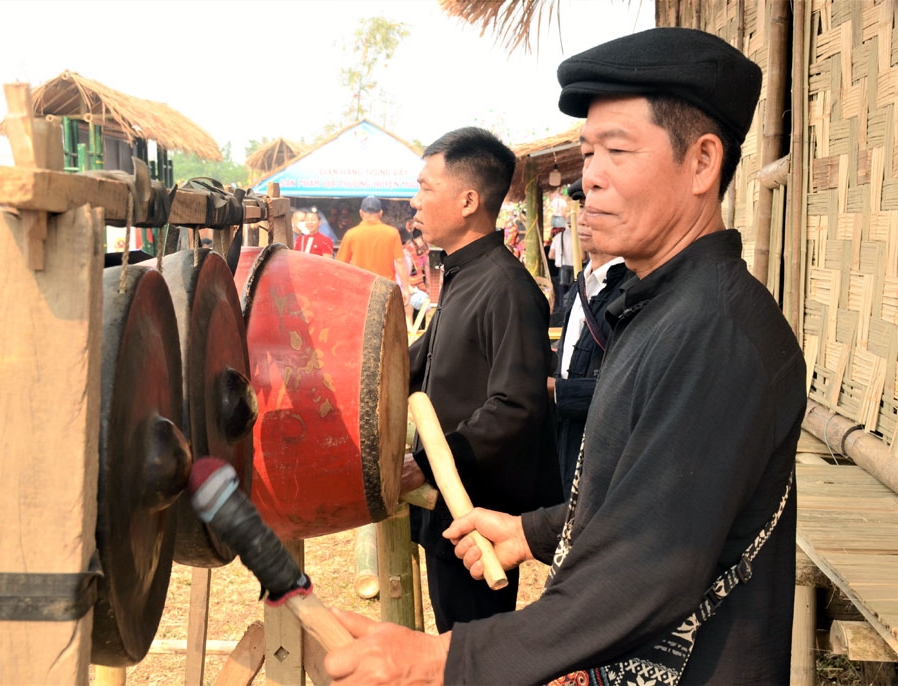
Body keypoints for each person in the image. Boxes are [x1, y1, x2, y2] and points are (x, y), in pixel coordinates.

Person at [325, 28, 806, 685]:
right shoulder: (655, 307)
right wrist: (537, 532)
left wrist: (440, 659)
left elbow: (648, 569)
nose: (590, 179)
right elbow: (644, 493)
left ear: (701, 164)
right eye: (587, 153)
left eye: (617, 151)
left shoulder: (718, 333)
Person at [399, 127, 562, 633]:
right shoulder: (464, 275)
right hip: (448, 509)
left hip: (477, 512)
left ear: (468, 200)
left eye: (426, 187)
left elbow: (516, 405)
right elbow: (419, 363)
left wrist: (427, 463)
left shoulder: (507, 288)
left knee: (473, 653)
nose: (414, 200)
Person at [549, 178, 632, 499]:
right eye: (582, 207)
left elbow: (631, 391)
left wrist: (556, 391)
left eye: (597, 209)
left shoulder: (634, 290)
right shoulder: (580, 284)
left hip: (606, 448)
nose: (582, 218)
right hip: (566, 436)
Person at [336, 196, 410, 305]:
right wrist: (406, 289)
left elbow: (340, 265)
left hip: (360, 289)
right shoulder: (392, 233)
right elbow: (400, 262)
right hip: (385, 289)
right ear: (380, 213)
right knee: (384, 321)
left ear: (361, 213)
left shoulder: (351, 234)